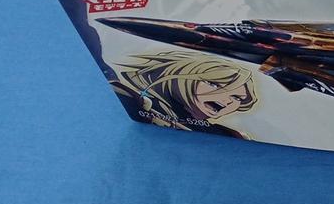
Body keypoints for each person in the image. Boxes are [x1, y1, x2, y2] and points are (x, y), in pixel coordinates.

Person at [109, 51, 258, 139]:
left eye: (237, 98)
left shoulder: (227, 135)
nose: (226, 100)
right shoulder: (135, 102)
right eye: (214, 84)